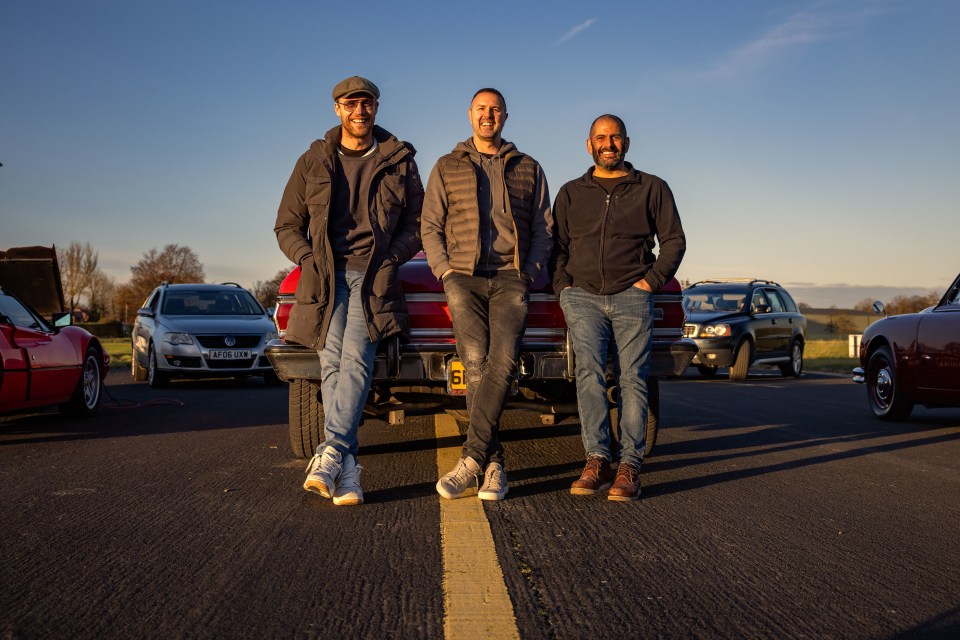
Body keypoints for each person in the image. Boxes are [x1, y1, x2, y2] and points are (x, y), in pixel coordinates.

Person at [274, 76, 424, 506]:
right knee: (332, 367)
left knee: (356, 359)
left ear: (376, 108)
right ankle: (350, 471)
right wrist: (308, 260)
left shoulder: (400, 160)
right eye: (351, 104)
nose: (360, 111)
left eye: (368, 103)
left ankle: (330, 451)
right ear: (337, 109)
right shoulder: (313, 160)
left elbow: (417, 222)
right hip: (325, 278)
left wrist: (393, 257)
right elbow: (286, 224)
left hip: (372, 276)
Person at [421, 88, 553, 501]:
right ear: (469, 115)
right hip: (463, 276)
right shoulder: (446, 166)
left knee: (504, 361)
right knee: (474, 360)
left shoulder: (527, 167)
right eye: (481, 109)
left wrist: (529, 271)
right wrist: (445, 271)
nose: (488, 115)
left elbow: (544, 227)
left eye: (495, 110)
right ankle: (493, 462)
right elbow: (430, 225)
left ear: (505, 116)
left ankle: (474, 458)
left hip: (511, 276)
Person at [552, 114, 686, 501]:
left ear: (626, 143)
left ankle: (630, 466)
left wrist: (649, 283)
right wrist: (564, 287)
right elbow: (557, 246)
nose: (608, 143)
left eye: (615, 137)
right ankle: (596, 459)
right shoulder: (571, 192)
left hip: (632, 295)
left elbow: (674, 241)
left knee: (632, 380)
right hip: (583, 297)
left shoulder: (652, 188)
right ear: (588, 144)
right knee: (588, 375)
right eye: (600, 137)